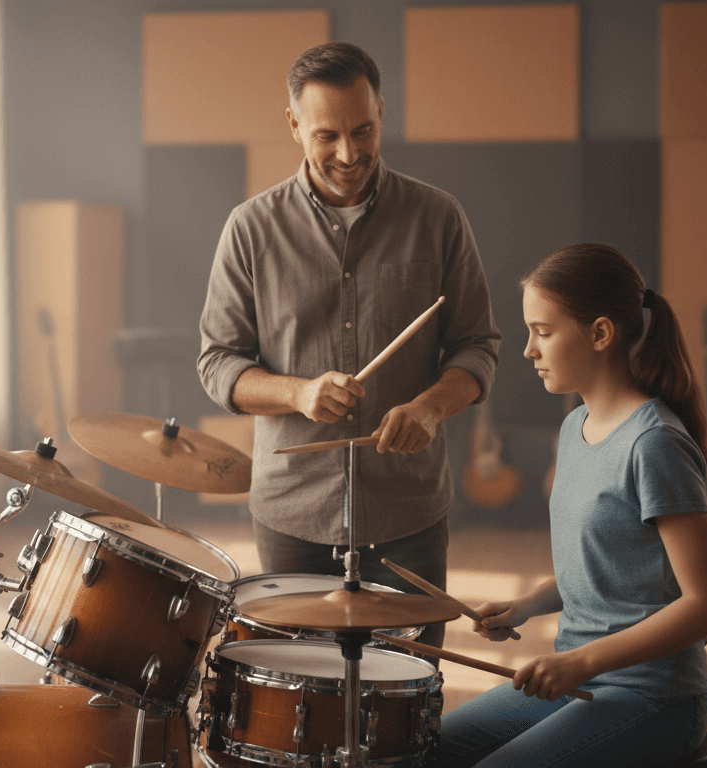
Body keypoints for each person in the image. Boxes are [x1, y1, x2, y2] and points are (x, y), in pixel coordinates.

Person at [197, 42, 501, 648]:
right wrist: (297, 392)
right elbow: (218, 363)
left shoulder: (439, 217)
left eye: (363, 130)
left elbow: (477, 348)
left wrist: (429, 407)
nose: (348, 152)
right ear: (293, 125)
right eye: (326, 135)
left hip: (408, 511)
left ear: (382, 112)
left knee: (407, 704)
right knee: (298, 708)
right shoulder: (250, 227)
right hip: (292, 514)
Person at [433, 243, 707, 767]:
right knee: (425, 748)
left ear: (600, 333)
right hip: (584, 678)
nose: (528, 350)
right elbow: (614, 571)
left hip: (654, 697)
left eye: (543, 332)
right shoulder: (575, 426)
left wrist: (579, 661)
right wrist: (528, 603)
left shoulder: (654, 442)